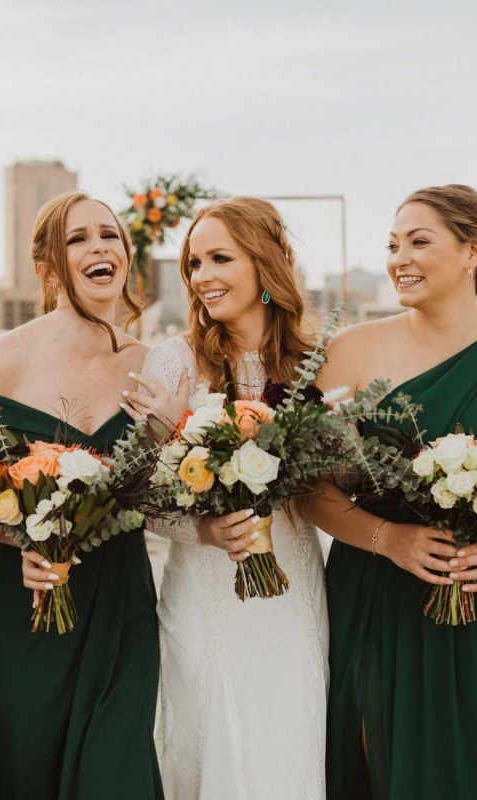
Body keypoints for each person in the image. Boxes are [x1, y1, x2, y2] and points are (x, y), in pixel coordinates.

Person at [299, 185, 477, 799]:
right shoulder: (350, 352)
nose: (399, 258)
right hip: (377, 598)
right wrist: (387, 538)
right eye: (392, 245)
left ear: (471, 251)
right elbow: (310, 489)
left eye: (419, 242)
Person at [124, 197, 329, 799]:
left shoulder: (315, 362)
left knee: (286, 735)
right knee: (205, 735)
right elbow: (137, 495)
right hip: (203, 585)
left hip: (290, 582)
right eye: (194, 263)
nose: (202, 276)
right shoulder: (173, 360)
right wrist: (203, 529)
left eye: (220, 258)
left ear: (264, 264)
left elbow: (335, 482)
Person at [0, 190, 162, 799]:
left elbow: (169, 493)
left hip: (120, 604)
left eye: (109, 235)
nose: (99, 247)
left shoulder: (158, 367)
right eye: (77, 239)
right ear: (48, 268)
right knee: (21, 775)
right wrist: (15, 538)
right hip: (21, 607)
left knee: (116, 775)